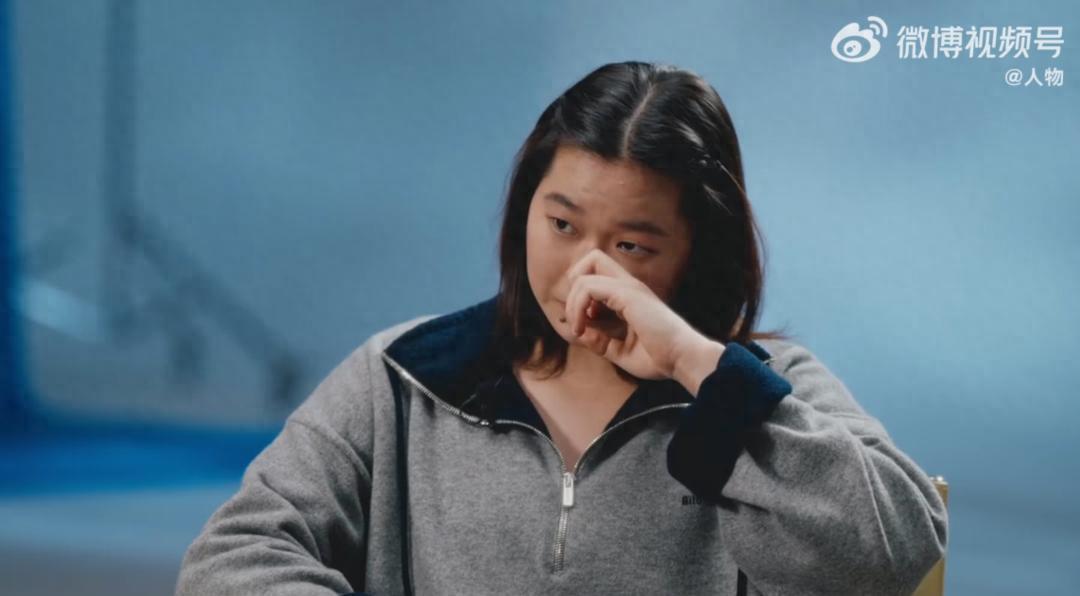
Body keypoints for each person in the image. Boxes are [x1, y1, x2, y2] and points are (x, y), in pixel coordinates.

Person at [176, 61, 948, 595]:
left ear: (698, 253)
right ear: (525, 212)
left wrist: (695, 363)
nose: (587, 272)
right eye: (562, 224)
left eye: (632, 246)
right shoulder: (406, 376)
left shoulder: (765, 393)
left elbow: (894, 559)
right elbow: (233, 556)